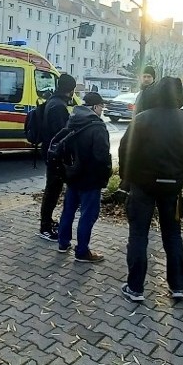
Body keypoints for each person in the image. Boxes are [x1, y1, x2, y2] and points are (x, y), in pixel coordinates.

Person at [118, 77, 183, 302]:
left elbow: (125, 152)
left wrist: (128, 179)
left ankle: (135, 287)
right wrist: (181, 178)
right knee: (173, 235)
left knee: (138, 235)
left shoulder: (143, 120)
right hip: (172, 190)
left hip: (142, 187)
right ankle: (177, 286)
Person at [55, 91, 112, 262]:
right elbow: (102, 157)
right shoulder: (97, 127)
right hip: (90, 179)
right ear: (95, 107)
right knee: (88, 215)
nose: (102, 110)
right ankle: (82, 252)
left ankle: (63, 243)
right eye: (101, 106)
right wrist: (104, 177)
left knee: (68, 211)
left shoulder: (73, 120)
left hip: (72, 175)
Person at [38, 73, 77, 241]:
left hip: (50, 152)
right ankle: (45, 227)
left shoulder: (52, 101)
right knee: (52, 191)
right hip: (55, 155)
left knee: (52, 190)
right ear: (71, 90)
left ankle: (47, 222)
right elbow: (62, 134)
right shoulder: (59, 106)